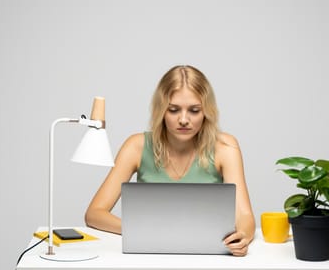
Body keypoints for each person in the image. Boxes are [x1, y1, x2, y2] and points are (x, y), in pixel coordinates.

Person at [85, 65, 255, 256]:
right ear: (161, 111)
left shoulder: (225, 147)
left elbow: (245, 216)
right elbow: (94, 213)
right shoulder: (136, 146)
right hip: (148, 257)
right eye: (173, 110)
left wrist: (243, 237)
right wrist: (141, 231)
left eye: (194, 110)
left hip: (207, 258)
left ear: (206, 112)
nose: (183, 119)